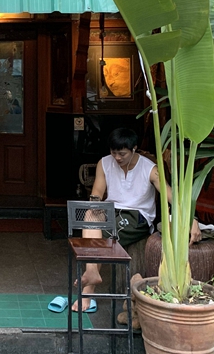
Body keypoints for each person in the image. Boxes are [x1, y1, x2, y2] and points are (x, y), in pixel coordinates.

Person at [74, 127, 202, 311]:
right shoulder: (104, 163)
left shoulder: (150, 169)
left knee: (105, 234)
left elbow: (171, 196)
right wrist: (95, 205)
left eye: (122, 154)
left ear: (134, 149)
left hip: (137, 215)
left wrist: (191, 219)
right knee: (90, 215)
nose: (117, 158)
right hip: (111, 209)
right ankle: (92, 272)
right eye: (114, 152)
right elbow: (97, 193)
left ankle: (88, 290)